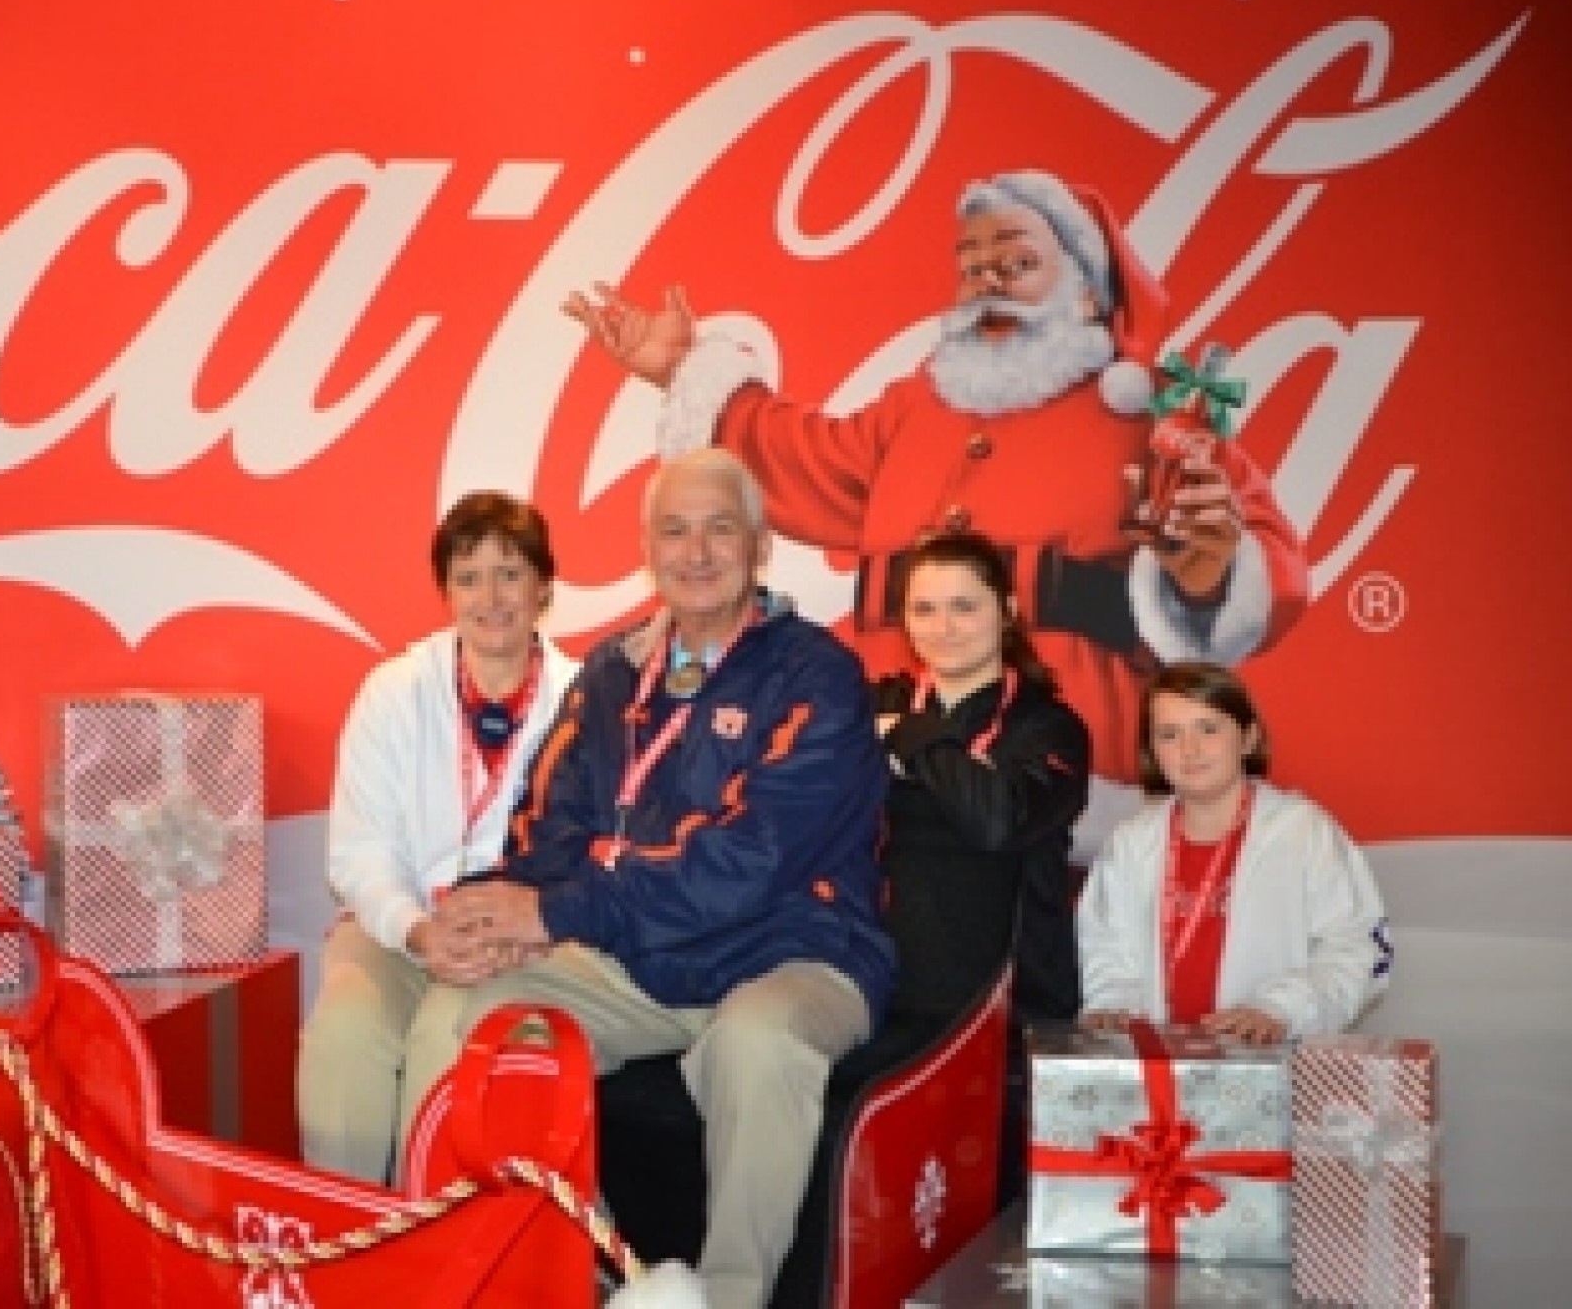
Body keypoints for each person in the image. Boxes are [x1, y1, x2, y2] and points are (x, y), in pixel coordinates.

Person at [563, 169, 1310, 839]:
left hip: (1059, 762)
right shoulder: (917, 407)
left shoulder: (1147, 418)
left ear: (1086, 288)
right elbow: (809, 460)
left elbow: (1262, 565)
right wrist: (680, 372)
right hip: (894, 741)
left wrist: (1210, 574)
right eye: (971, 266)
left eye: (1015, 263)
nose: (987, 282)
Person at [402, 448, 896, 1309]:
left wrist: (562, 906)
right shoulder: (610, 672)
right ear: (647, 549)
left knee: (756, 1040)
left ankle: (730, 1299)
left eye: (719, 528)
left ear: (760, 545)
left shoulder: (817, 674)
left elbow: (750, 862)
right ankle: (600, 1277)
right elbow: (551, 825)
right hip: (641, 953)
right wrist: (486, 910)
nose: (696, 551)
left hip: (794, 949)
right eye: (674, 530)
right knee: (471, 1012)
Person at [295, 491, 578, 1183]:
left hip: (514, 941)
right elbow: (360, 853)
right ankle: (347, 1251)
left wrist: (514, 929)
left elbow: (587, 855)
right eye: (468, 576)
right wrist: (418, 931)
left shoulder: (584, 699)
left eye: (510, 573)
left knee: (445, 1039)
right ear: (446, 592)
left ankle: (431, 1259)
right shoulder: (393, 691)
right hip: (397, 929)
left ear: (544, 587)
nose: (490, 597)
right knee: (344, 1036)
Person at [874, 529, 1090, 1204]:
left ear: (1006, 609)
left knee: (989, 1223)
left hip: (1000, 1018)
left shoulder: (1049, 728)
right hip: (886, 1002)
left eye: (963, 606)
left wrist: (907, 741)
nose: (942, 628)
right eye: (923, 609)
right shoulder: (875, 703)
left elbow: (993, 821)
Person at [1077, 662, 1392, 1043]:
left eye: (1208, 729)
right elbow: (1105, 948)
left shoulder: (1303, 832)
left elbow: (1356, 948)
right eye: (1169, 734)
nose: (1189, 749)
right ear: (1152, 750)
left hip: (1270, 1071)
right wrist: (1114, 1006)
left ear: (1248, 738)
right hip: (1156, 1078)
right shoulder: (1129, 844)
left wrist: (1280, 1009)